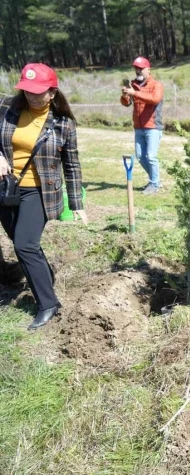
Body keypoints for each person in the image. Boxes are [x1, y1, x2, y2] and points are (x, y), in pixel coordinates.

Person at [0, 63, 87, 330]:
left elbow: (71, 165)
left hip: (40, 192)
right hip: (7, 187)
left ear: (52, 92)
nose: (32, 96)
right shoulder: (7, 108)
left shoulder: (64, 124)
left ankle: (48, 303)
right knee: (21, 241)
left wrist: (77, 204)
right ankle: (45, 275)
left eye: (38, 91)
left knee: (24, 245)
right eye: (27, 90)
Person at [120, 56, 164, 195]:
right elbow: (126, 104)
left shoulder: (156, 85)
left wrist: (135, 93)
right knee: (140, 156)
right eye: (136, 68)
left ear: (148, 69)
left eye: (140, 68)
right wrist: (125, 95)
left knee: (151, 156)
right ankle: (155, 180)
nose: (137, 71)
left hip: (153, 127)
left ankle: (155, 184)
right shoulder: (133, 85)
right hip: (138, 127)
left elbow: (155, 99)